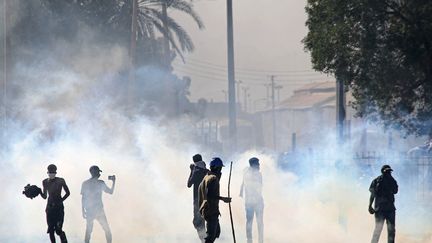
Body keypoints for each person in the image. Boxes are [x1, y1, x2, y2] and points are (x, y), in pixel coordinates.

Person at [198, 157, 232, 243]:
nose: (220, 171)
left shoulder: (207, 177)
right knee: (210, 237)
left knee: (217, 232)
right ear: (217, 168)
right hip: (211, 211)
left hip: (208, 210)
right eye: (220, 168)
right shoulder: (213, 179)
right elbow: (210, 195)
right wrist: (223, 198)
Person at [81, 165, 116, 243]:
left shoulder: (85, 183)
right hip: (98, 210)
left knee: (88, 232)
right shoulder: (100, 183)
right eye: (98, 172)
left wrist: (83, 211)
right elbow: (111, 192)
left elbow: (83, 198)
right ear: (95, 172)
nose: (99, 174)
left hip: (90, 210)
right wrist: (114, 182)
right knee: (107, 230)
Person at [40, 164, 70, 243]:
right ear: (48, 172)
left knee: (58, 230)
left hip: (59, 208)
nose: (51, 173)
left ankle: (64, 240)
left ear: (55, 172)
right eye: (50, 172)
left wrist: (60, 201)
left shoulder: (60, 180)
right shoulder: (45, 182)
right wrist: (39, 191)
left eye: (53, 172)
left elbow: (68, 193)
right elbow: (44, 196)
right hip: (49, 208)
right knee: (51, 230)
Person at [368, 164, 398, 243]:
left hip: (389, 209)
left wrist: (370, 206)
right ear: (383, 172)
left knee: (391, 230)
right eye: (387, 172)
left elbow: (395, 191)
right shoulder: (377, 181)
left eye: (389, 172)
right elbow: (372, 194)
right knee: (378, 229)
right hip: (381, 209)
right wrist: (370, 206)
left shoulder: (391, 180)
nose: (388, 173)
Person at [240, 157, 264, 243]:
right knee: (255, 222)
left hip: (252, 202)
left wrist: (241, 192)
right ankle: (255, 240)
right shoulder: (254, 174)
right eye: (258, 164)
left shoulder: (246, 173)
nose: (259, 165)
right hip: (253, 202)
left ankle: (254, 240)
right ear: (254, 165)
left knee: (255, 222)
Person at [187, 154, 209, 242]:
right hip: (207, 199)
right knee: (202, 220)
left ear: (194, 162)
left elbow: (189, 184)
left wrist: (191, 170)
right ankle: (205, 239)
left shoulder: (196, 171)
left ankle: (204, 240)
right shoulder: (207, 171)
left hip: (198, 200)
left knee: (197, 222)